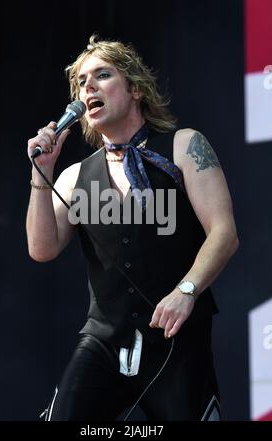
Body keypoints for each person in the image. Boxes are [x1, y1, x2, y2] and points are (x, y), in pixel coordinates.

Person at [26, 34, 239, 421]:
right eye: (80, 82)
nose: (87, 87)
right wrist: (42, 173)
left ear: (136, 89)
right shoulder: (76, 176)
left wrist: (186, 291)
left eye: (101, 75)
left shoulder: (183, 147)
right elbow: (42, 249)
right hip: (104, 339)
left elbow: (224, 232)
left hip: (176, 339)